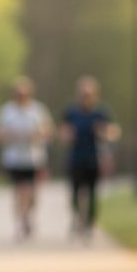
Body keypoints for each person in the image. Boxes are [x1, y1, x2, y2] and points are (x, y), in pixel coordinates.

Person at [0, 77, 53, 240]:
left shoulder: (38, 110)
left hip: (34, 157)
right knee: (19, 191)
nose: (21, 96)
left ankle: (29, 216)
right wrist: (8, 135)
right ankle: (20, 221)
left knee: (32, 192)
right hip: (13, 158)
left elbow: (48, 131)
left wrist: (37, 134)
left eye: (24, 94)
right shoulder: (6, 111)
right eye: (18, 94)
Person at [58, 75, 117, 241]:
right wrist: (67, 136)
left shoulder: (102, 112)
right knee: (75, 192)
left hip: (94, 158)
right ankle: (77, 218)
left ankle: (90, 223)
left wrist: (103, 133)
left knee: (92, 193)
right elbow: (63, 132)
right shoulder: (71, 111)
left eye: (88, 94)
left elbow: (113, 133)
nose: (86, 97)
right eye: (83, 93)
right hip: (76, 158)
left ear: (95, 94)